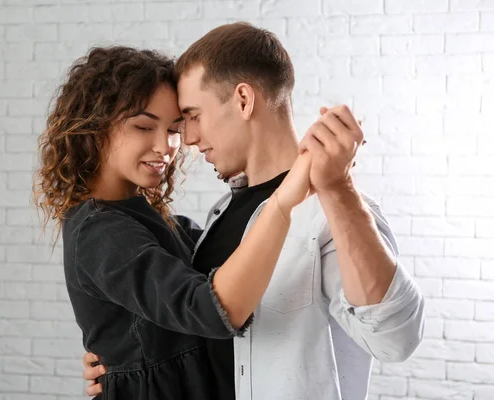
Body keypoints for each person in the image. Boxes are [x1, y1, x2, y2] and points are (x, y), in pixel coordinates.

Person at [82, 23, 425, 399]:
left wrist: (338, 190)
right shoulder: (219, 215)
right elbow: (188, 312)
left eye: (193, 116)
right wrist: (125, 364)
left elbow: (396, 340)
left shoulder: (329, 213)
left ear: (243, 100)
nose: (189, 139)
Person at [32, 45, 314, 400]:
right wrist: (284, 200)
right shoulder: (99, 231)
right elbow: (214, 309)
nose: (166, 146)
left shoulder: (165, 224)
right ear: (94, 128)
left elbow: (232, 265)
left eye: (174, 128)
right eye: (143, 126)